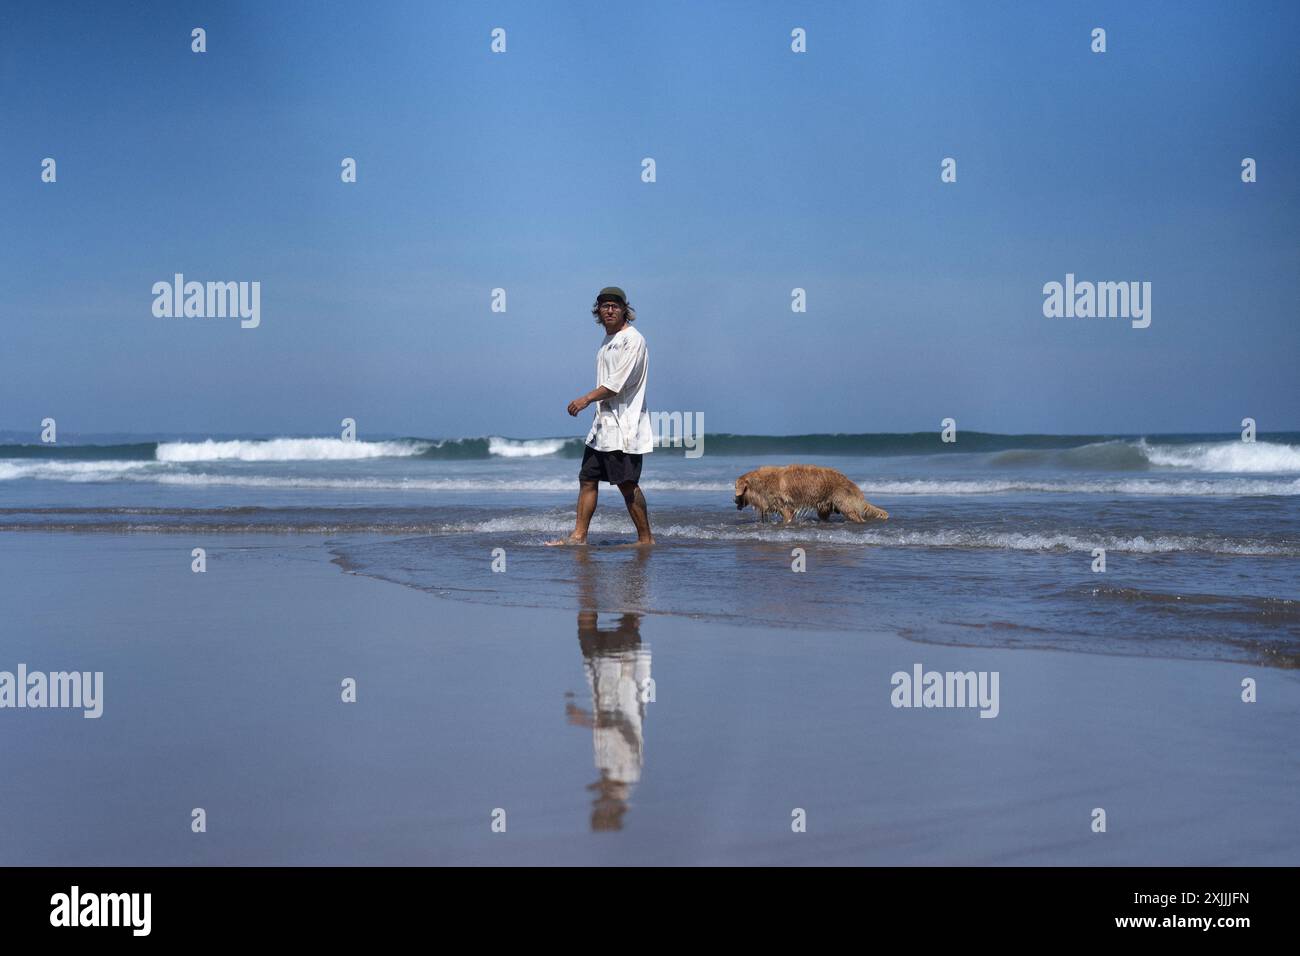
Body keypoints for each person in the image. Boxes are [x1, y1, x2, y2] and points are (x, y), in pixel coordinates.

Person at [547, 286, 654, 546]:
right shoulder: (608, 341)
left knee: (626, 484)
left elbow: (616, 384)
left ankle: (645, 539)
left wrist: (585, 399)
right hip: (603, 426)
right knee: (587, 479)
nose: (609, 310)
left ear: (624, 309)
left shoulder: (633, 339)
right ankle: (579, 536)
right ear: (598, 311)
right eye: (604, 305)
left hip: (625, 426)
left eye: (615, 306)